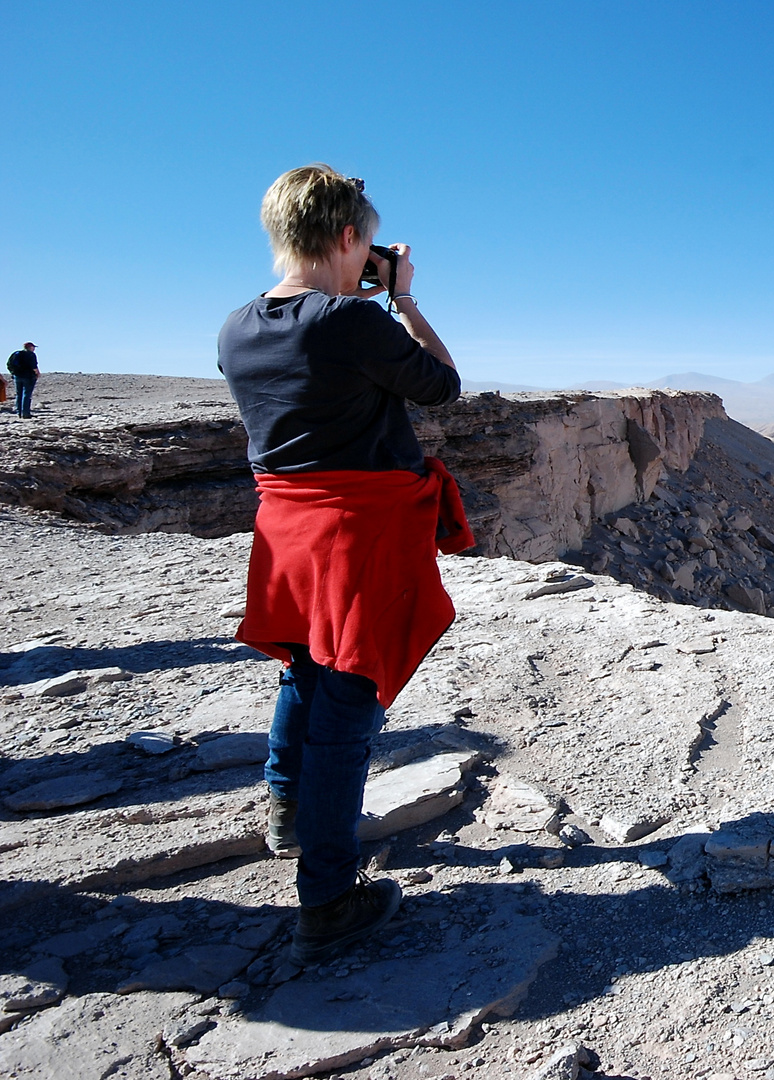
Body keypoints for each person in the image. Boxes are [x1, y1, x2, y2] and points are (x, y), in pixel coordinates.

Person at [218, 164, 473, 967]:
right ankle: (328, 897)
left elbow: (316, 346)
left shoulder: (238, 324)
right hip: (354, 539)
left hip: (285, 531)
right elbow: (443, 387)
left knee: (303, 667)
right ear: (347, 237)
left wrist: (360, 294)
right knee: (349, 701)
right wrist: (403, 297)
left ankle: (289, 815)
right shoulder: (352, 323)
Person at [7, 343, 38, 418]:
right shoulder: (31, 355)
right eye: (33, 347)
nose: (34, 349)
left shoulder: (16, 354)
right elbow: (34, 366)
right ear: (30, 347)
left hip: (17, 376)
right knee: (26, 394)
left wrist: (13, 373)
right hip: (28, 377)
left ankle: (19, 413)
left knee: (19, 394)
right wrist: (37, 373)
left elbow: (8, 364)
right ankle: (26, 413)